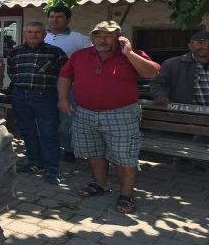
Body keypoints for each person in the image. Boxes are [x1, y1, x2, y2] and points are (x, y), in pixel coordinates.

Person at [58, 20, 160, 214]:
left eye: (108, 35)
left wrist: (128, 53)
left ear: (118, 37)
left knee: (125, 157)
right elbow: (65, 76)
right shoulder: (80, 56)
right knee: (94, 151)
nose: (102, 39)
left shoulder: (131, 55)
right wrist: (63, 99)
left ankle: (126, 195)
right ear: (92, 38)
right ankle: (101, 185)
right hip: (85, 113)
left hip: (121, 114)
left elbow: (152, 73)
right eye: (98, 35)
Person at [7, 22, 68, 184]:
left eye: (37, 32)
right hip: (20, 96)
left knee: (49, 133)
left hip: (46, 97)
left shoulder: (55, 52)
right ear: (24, 34)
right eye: (30, 32)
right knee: (27, 132)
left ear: (44, 34)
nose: (33, 35)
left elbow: (66, 76)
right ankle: (35, 163)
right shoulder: (15, 52)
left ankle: (52, 168)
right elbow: (12, 72)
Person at [150, 30, 209, 173]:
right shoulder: (172, 63)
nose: (205, 47)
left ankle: (194, 164)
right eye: (200, 43)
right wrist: (160, 95)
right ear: (190, 45)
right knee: (197, 138)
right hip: (188, 115)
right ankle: (194, 165)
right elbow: (158, 83)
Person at [44, 6, 92, 163]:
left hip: (69, 86)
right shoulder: (40, 36)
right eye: (51, 16)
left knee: (67, 120)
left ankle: (69, 149)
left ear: (68, 19)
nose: (54, 20)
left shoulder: (80, 39)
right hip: (44, 86)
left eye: (59, 17)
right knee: (47, 119)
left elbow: (91, 61)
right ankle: (51, 149)